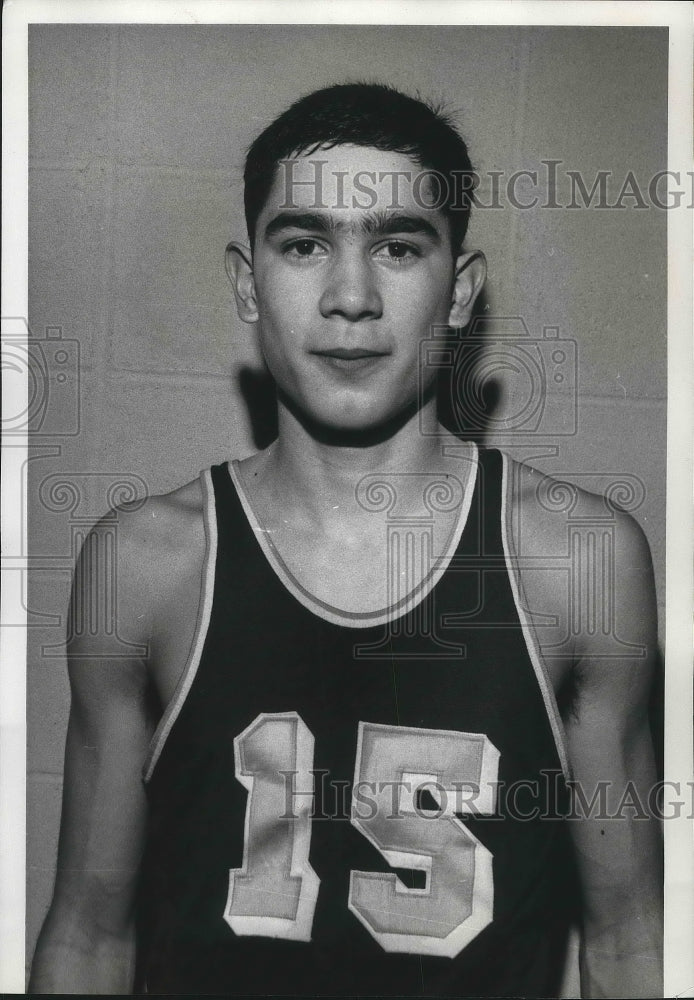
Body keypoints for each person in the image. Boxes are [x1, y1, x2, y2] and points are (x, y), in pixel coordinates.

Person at [29, 83, 662, 997]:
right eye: (304, 244)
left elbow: (633, 942)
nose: (352, 296)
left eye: (399, 247)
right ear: (249, 284)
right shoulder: (144, 568)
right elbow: (89, 940)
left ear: (461, 292)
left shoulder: (579, 563)